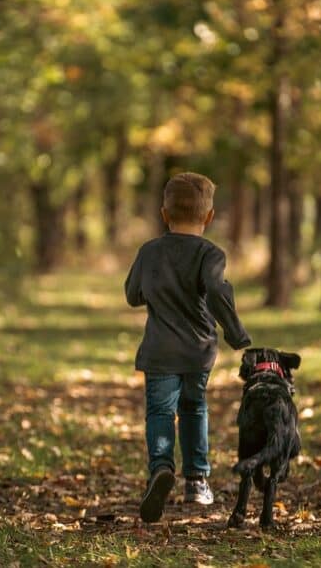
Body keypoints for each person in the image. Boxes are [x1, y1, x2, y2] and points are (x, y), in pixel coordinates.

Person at [124, 171, 252, 523]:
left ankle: (161, 469)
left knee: (160, 412)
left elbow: (132, 294)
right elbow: (216, 294)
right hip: (198, 351)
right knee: (194, 408)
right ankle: (196, 480)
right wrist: (237, 335)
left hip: (159, 351)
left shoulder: (149, 251)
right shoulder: (211, 254)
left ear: (164, 214)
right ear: (209, 217)